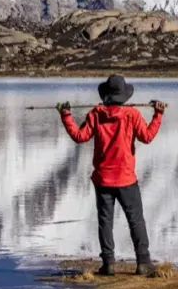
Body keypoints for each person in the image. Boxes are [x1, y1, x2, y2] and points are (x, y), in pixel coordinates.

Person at [57, 74, 166, 276]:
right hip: (126, 179)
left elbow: (80, 137)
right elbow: (147, 137)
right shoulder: (131, 114)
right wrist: (158, 115)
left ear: (106, 95)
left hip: (103, 179)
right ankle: (143, 262)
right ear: (124, 96)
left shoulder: (96, 114)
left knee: (105, 221)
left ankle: (109, 264)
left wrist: (66, 115)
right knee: (136, 220)